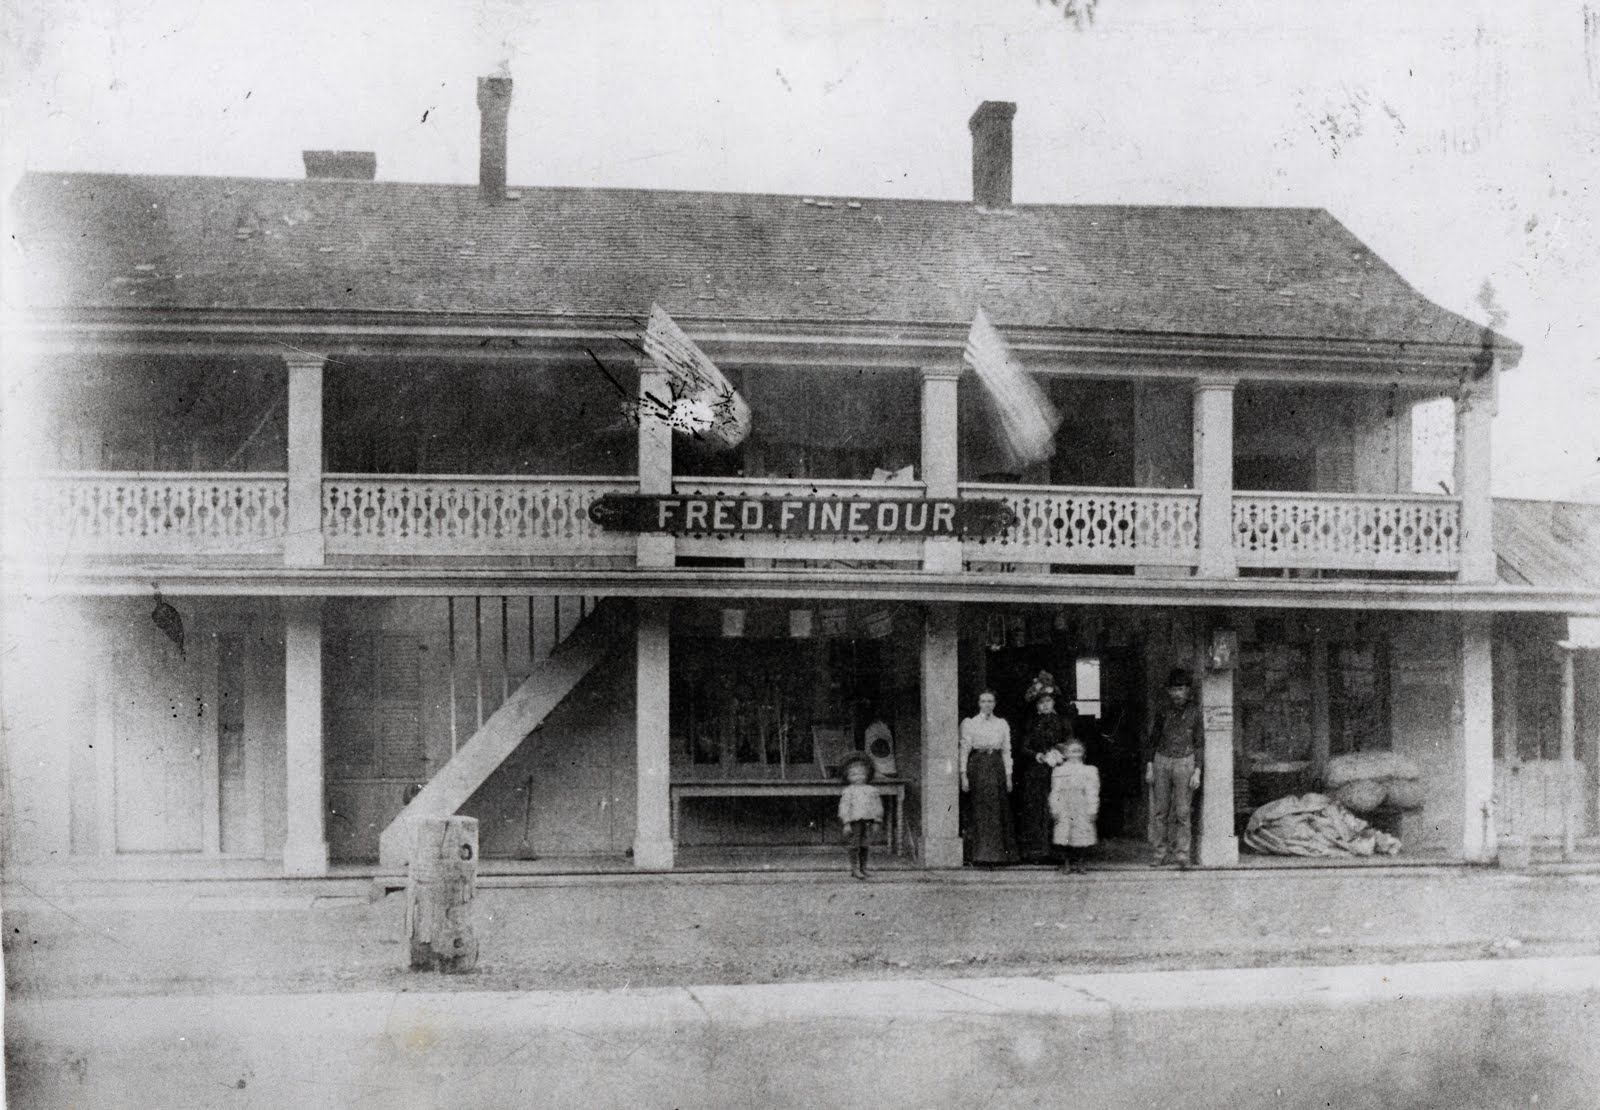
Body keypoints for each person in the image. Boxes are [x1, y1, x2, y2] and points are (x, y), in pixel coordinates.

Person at [1145, 667, 1204, 867]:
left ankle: (1182, 855)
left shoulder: (1195, 712)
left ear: (1188, 691)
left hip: (1185, 762)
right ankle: (1159, 853)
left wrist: (1197, 770)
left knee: (1183, 812)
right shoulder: (1163, 711)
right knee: (1160, 811)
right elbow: (1152, 740)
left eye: (1181, 689)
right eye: (1174, 689)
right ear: (1169, 691)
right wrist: (1150, 767)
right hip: (1162, 760)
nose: (1177, 693)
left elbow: (1199, 743)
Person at [1018, 671, 1072, 863]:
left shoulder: (1063, 722)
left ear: (1054, 702)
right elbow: (1024, 748)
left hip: (1059, 771)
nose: (1045, 705)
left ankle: (1059, 852)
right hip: (1038, 772)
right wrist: (1038, 755)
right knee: (1037, 809)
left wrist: (1060, 753)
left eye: (1048, 701)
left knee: (1058, 808)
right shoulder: (1032, 723)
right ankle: (1038, 852)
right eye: (1041, 702)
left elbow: (1071, 745)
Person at [959, 690, 1016, 865]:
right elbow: (964, 750)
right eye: (983, 701)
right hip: (978, 766)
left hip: (996, 766)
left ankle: (998, 856)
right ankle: (980, 856)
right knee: (980, 810)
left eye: (990, 701)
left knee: (997, 810)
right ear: (978, 703)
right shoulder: (970, 723)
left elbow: (1007, 750)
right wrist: (963, 776)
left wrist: (1008, 776)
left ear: (995, 703)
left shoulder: (1001, 724)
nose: (987, 704)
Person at [1046, 738, 1100, 874]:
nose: (1075, 754)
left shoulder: (1089, 770)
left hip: (1081, 804)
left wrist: (1092, 808)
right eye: (1072, 751)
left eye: (1078, 751)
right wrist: (1055, 807)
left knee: (1082, 834)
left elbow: (1092, 791)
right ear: (1065, 754)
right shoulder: (1059, 771)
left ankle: (1081, 863)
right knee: (1064, 834)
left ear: (1083, 753)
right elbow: (1056, 791)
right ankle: (1067, 863)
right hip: (1065, 804)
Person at [838, 752, 884, 880]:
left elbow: (877, 806)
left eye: (861, 773)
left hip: (867, 822)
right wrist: (846, 823)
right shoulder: (848, 791)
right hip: (854, 822)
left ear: (868, 774)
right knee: (854, 845)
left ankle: (863, 868)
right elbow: (844, 807)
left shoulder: (872, 790)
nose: (858, 777)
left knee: (865, 845)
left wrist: (877, 821)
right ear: (847, 776)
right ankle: (854, 869)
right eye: (853, 774)